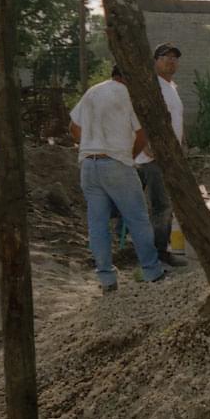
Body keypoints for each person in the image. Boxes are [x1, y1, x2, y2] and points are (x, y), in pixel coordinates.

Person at [69, 66, 164, 294]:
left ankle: (106, 280)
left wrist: (92, 144)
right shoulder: (129, 95)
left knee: (97, 224)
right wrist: (126, 156)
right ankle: (152, 271)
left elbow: (73, 128)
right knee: (138, 219)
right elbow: (142, 135)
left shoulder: (92, 91)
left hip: (89, 165)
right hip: (116, 163)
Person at [134, 42, 187, 267]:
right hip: (152, 158)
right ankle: (158, 252)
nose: (171, 60)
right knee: (161, 205)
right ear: (155, 61)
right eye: (166, 56)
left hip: (169, 156)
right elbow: (138, 112)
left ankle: (152, 249)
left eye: (174, 57)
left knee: (159, 204)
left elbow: (176, 122)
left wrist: (182, 144)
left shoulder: (171, 87)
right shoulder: (152, 85)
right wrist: (145, 144)